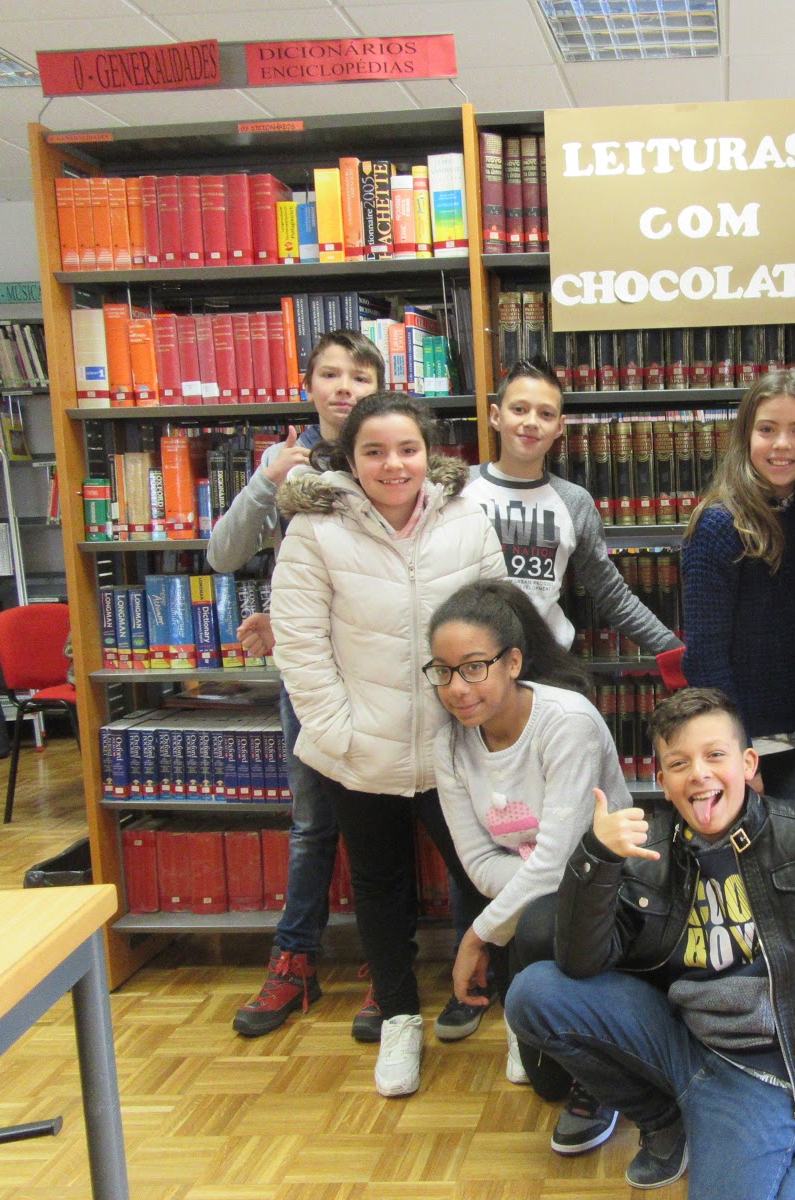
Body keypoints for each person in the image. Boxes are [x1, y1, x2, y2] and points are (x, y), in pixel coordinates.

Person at [504, 687, 795, 1199]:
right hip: (685, 1041)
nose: (699, 773)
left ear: (748, 764)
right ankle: (665, 1121)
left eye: (715, 755)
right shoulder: (649, 856)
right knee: (533, 993)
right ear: (663, 781)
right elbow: (581, 964)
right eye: (679, 763)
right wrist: (596, 859)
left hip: (772, 1064)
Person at [213, 330, 459, 1042]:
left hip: (400, 679)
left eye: (360, 376)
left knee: (407, 827)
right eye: (329, 374)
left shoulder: (410, 469)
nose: (344, 387)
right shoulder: (287, 467)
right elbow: (225, 554)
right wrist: (266, 484)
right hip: (320, 678)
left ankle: (390, 972)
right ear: (309, 385)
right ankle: (295, 960)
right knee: (315, 824)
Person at [271, 392, 506, 1098]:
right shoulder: (315, 530)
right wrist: (337, 733)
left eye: (407, 449)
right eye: (373, 451)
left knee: (488, 879)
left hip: (457, 745)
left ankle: (518, 1018)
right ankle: (400, 1020)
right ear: (350, 460)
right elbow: (300, 644)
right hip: (359, 749)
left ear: (428, 454)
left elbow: (498, 620)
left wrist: (485, 719)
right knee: (378, 888)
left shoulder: (467, 519)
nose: (393, 465)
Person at [428, 579, 631, 1157]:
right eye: (442, 671)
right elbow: (476, 862)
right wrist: (530, 885)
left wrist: (477, 935)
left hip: (609, 890)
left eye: (474, 668)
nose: (457, 688)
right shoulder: (449, 745)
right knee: (544, 1084)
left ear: (513, 662)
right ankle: (555, 1029)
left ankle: (604, 1074)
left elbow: (567, 860)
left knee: (542, 922)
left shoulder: (566, 722)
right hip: (534, 903)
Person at [681, 367, 795, 798]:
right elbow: (706, 659)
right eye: (767, 430)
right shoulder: (718, 525)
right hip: (751, 746)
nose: (782, 444)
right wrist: (736, 754)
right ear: (746, 436)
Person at [461, 359, 680, 658]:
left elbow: (611, 594)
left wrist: (675, 652)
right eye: (519, 409)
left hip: (545, 666)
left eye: (546, 414)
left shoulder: (574, 502)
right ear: (496, 416)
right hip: (469, 664)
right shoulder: (457, 488)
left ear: (559, 427)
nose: (531, 422)